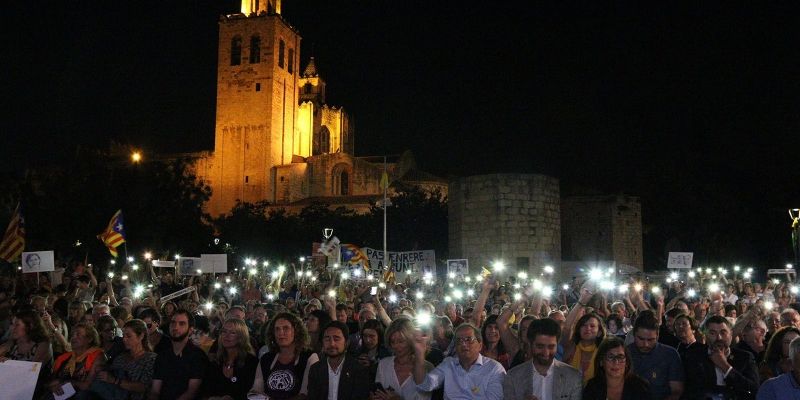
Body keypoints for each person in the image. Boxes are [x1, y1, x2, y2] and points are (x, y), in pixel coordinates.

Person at [413, 323, 506, 399]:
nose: (463, 344)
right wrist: (420, 354)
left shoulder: (494, 369)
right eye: (459, 341)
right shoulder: (448, 364)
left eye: (468, 339)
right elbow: (425, 385)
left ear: (480, 345)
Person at [682, 315, 759, 400]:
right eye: (712, 333)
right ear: (706, 336)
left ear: (731, 334)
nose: (719, 338)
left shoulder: (745, 357)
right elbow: (691, 390)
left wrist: (725, 366)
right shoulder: (694, 357)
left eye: (723, 333)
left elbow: (754, 388)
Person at [503, 318, 582, 400]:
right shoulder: (513, 376)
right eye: (540, 346)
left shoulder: (573, 376)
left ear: (557, 345)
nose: (546, 353)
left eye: (551, 347)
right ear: (530, 344)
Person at [249, 312, 319, 399]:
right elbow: (257, 389)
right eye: (277, 329)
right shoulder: (266, 358)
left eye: (286, 328)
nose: (281, 333)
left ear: (296, 331)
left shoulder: (309, 357)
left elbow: (306, 393)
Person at [149, 309, 209, 400]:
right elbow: (155, 391)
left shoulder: (197, 356)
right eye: (173, 323)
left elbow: (191, 392)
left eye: (182, 324)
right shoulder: (162, 356)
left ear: (190, 330)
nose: (176, 327)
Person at [92, 319, 157, 400]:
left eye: (129, 336)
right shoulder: (121, 357)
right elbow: (112, 371)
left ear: (141, 336)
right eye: (123, 336)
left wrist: (115, 381)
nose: (124, 339)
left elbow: (145, 386)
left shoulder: (150, 359)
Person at [626, 312, 684, 400]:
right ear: (633, 334)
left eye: (650, 340)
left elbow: (676, 391)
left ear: (657, 336)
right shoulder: (625, 353)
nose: (645, 344)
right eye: (641, 339)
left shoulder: (670, 354)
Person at [373, 318, 434, 400]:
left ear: (411, 341)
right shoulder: (383, 364)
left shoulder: (427, 368)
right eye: (392, 342)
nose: (396, 346)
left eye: (401, 341)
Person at [307, 321, 370, 400]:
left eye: (336, 339)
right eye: (327, 339)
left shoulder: (358, 370)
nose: (332, 344)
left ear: (346, 343)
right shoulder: (316, 369)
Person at [202, 318, 259, 400]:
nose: (226, 336)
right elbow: (205, 392)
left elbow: (253, 394)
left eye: (232, 333)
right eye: (224, 331)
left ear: (241, 337)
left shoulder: (251, 362)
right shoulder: (216, 361)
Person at [48, 323, 105, 398]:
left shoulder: (97, 355)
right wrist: (52, 388)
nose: (73, 338)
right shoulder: (64, 358)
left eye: (78, 335)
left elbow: (87, 385)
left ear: (89, 339)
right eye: (72, 335)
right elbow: (50, 382)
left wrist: (70, 382)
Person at [583, 337, 650, 400]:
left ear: (627, 362)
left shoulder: (640, 387)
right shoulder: (592, 387)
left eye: (620, 357)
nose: (616, 362)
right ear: (601, 362)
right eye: (610, 357)